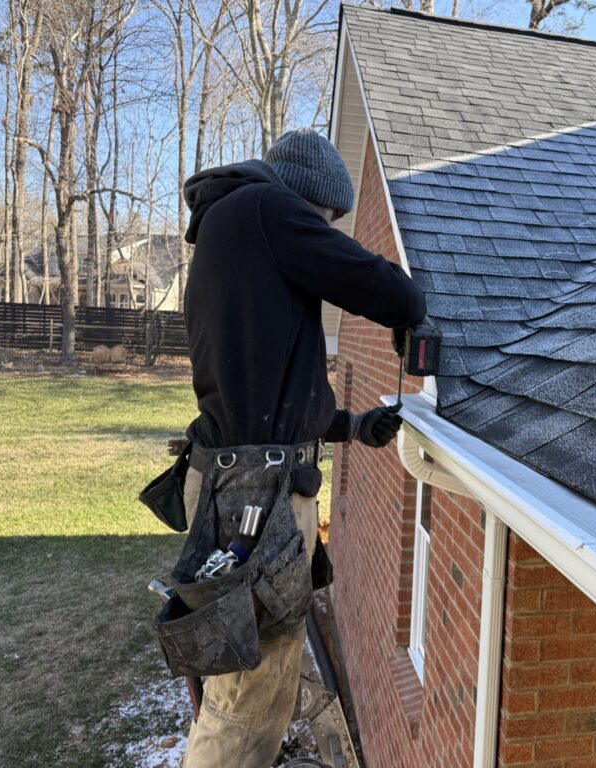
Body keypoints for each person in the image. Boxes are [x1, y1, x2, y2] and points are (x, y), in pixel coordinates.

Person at [177, 128, 426, 767]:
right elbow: (388, 289)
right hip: (254, 500)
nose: (322, 231)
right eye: (324, 220)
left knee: (240, 683)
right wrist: (409, 308)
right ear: (305, 200)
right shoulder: (266, 208)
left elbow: (265, 391)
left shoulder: (230, 227)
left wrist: (348, 425)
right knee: (247, 704)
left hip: (234, 482)